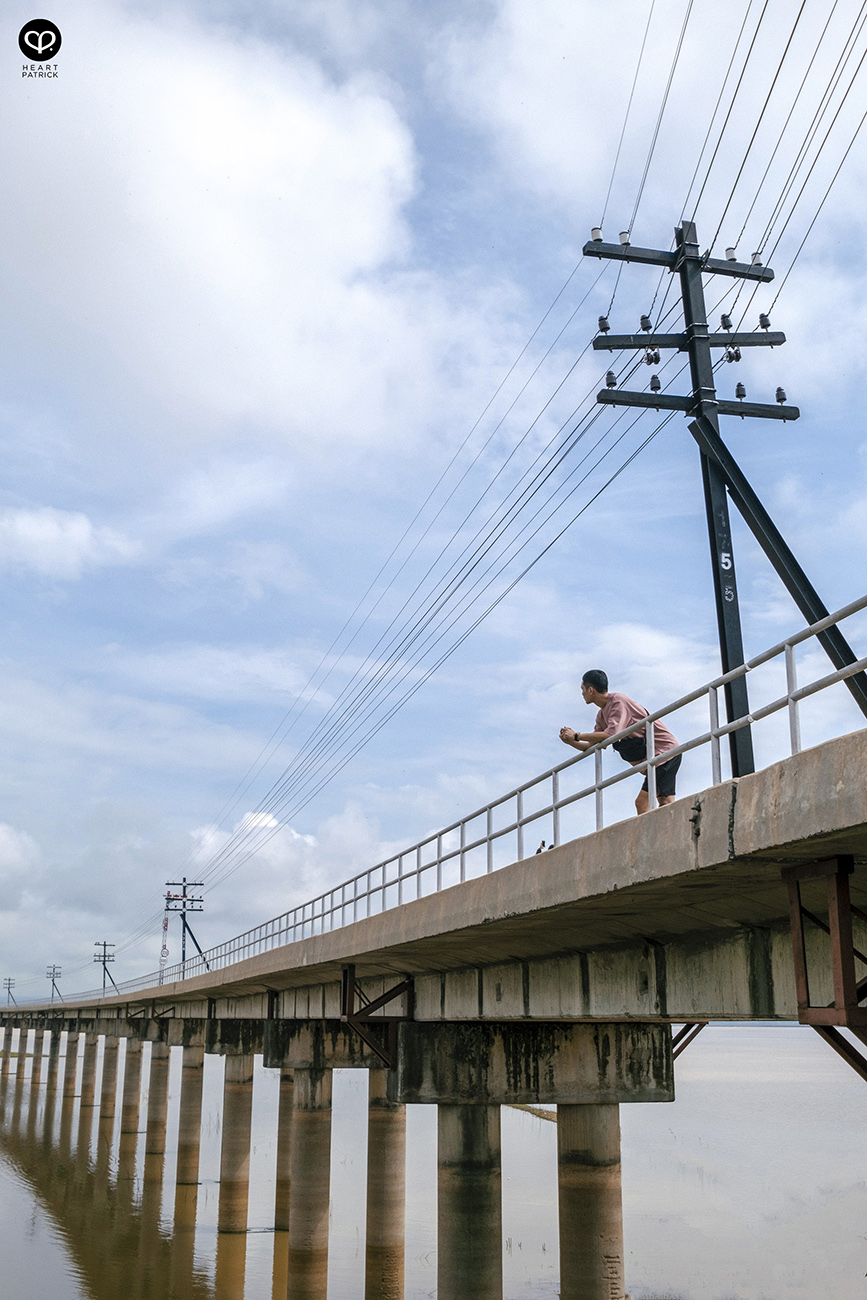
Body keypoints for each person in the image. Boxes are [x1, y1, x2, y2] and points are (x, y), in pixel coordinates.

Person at [559, 669, 681, 814]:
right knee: (665, 802)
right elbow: (590, 746)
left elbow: (612, 734)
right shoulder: (601, 715)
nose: (582, 693)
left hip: (665, 753)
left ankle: (650, 837)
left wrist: (577, 735)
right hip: (658, 758)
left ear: (591, 690)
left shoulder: (618, 702)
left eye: (582, 689)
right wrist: (570, 741)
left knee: (641, 803)